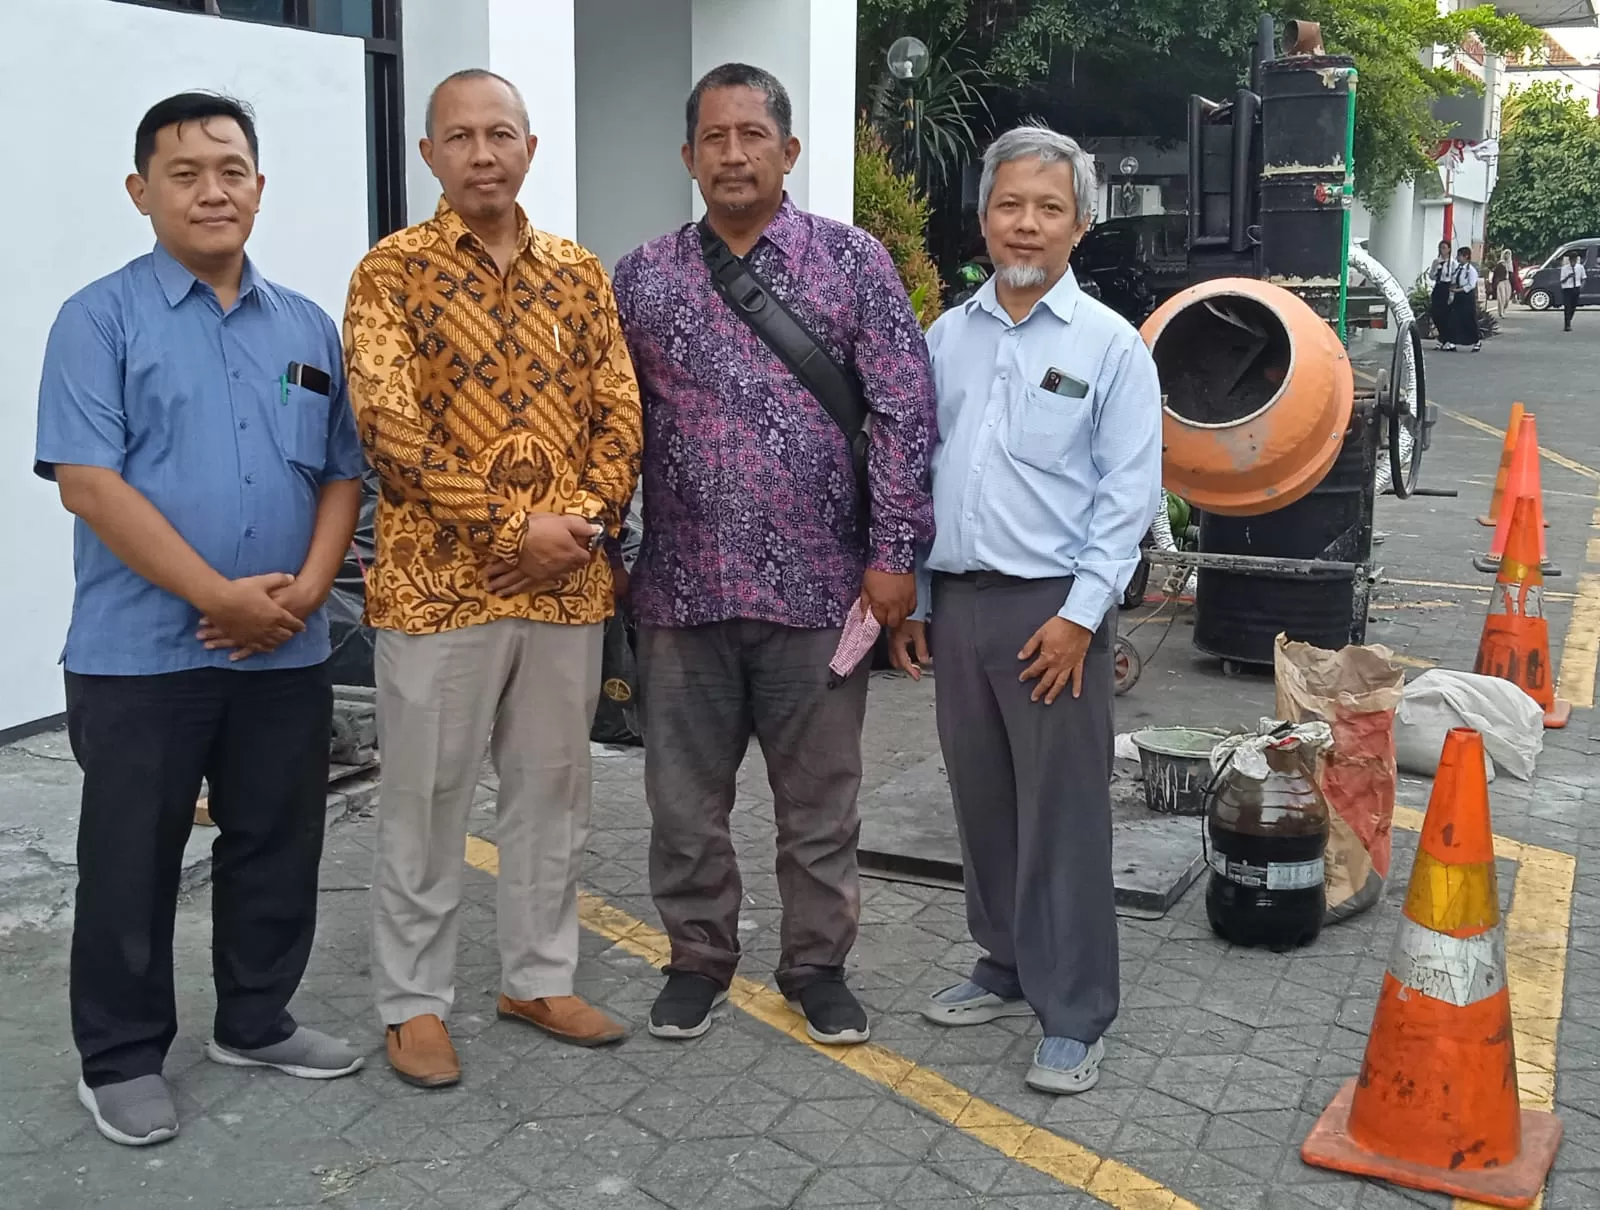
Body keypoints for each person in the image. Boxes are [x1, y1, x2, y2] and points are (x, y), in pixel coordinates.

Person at [34, 92, 368, 1147]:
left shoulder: (308, 325)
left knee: (276, 838)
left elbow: (341, 473)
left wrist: (310, 589)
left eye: (231, 168)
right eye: (184, 172)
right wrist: (217, 596)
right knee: (132, 855)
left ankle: (255, 1017)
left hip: (288, 645)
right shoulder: (99, 319)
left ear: (259, 188)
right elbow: (89, 483)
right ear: (142, 193)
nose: (212, 188)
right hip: (142, 655)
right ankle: (121, 1056)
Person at [611, 63, 936, 1046]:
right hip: (680, 591)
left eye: (753, 134)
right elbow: (608, 420)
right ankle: (700, 956)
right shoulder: (642, 276)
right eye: (715, 137)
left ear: (789, 151)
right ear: (687, 156)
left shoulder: (852, 263)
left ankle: (815, 964)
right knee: (681, 803)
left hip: (821, 591)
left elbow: (903, 410)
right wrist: (606, 544)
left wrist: (893, 556)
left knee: (821, 802)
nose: (734, 153)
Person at [344, 69, 643, 1088]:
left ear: (529, 147)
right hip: (439, 589)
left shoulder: (578, 273)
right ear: (426, 154)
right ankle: (413, 1002)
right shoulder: (390, 273)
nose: (482, 152)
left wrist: (589, 522)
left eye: (499, 133)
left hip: (567, 586)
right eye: (460, 136)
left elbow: (620, 413)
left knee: (552, 794)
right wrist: (518, 525)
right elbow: (390, 432)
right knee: (426, 800)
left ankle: (536, 975)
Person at [887, 124, 1162, 1095]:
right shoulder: (942, 339)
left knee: (1064, 815)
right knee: (985, 804)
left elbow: (1126, 496)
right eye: (1011, 205)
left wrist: (1083, 616)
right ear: (984, 215)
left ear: (1078, 224)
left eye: (1048, 208)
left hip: (1055, 614)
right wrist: (915, 596)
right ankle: (1002, 963)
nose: (1027, 224)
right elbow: (915, 474)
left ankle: (1076, 1009)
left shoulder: (1111, 349)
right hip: (959, 607)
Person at [1451, 246, 1482, 353]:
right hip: (1458, 296)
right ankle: (1454, 340)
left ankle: (1476, 341)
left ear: (1466, 256)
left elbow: (1471, 285)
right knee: (1456, 318)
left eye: (1459, 255)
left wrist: (1458, 290)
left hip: (1467, 297)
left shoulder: (1471, 270)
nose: (1458, 258)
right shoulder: (1458, 269)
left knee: (1469, 319)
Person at [1427, 240, 1454, 350]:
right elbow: (1431, 276)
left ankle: (1447, 339)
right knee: (1435, 313)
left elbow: (1453, 278)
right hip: (1438, 286)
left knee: (1445, 315)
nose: (1442, 250)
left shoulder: (1452, 263)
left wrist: (1452, 294)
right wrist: (1436, 270)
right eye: (1441, 248)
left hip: (1447, 287)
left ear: (1449, 249)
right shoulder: (1436, 261)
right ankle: (1441, 337)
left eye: (1444, 248)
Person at [1560, 248, 1587, 332]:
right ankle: (1567, 325)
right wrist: (1568, 276)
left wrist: (1581, 288)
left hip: (1576, 288)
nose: (1573, 261)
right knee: (1567, 307)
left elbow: (1584, 278)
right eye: (1572, 260)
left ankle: (1569, 319)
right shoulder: (1564, 268)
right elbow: (1562, 280)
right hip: (1567, 288)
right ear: (1570, 260)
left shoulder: (1580, 267)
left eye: (1575, 260)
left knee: (1573, 306)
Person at [1491, 250, 1512, 318]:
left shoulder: (1510, 263)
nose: (1507, 255)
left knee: (1507, 298)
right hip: (1501, 282)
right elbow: (1496, 274)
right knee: (1502, 297)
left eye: (1508, 254)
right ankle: (1501, 312)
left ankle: (1504, 309)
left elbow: (1512, 274)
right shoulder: (1500, 264)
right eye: (1506, 254)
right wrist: (1495, 283)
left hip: (1507, 281)